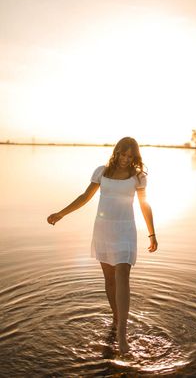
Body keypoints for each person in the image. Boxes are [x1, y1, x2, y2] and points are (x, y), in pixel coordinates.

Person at [47, 137, 158, 355]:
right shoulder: (101, 172)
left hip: (125, 230)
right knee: (109, 281)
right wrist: (61, 213)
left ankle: (122, 335)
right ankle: (116, 319)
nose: (126, 159)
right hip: (104, 229)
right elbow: (84, 197)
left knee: (123, 276)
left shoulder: (138, 177)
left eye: (130, 156)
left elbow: (145, 205)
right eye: (123, 154)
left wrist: (152, 233)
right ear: (116, 152)